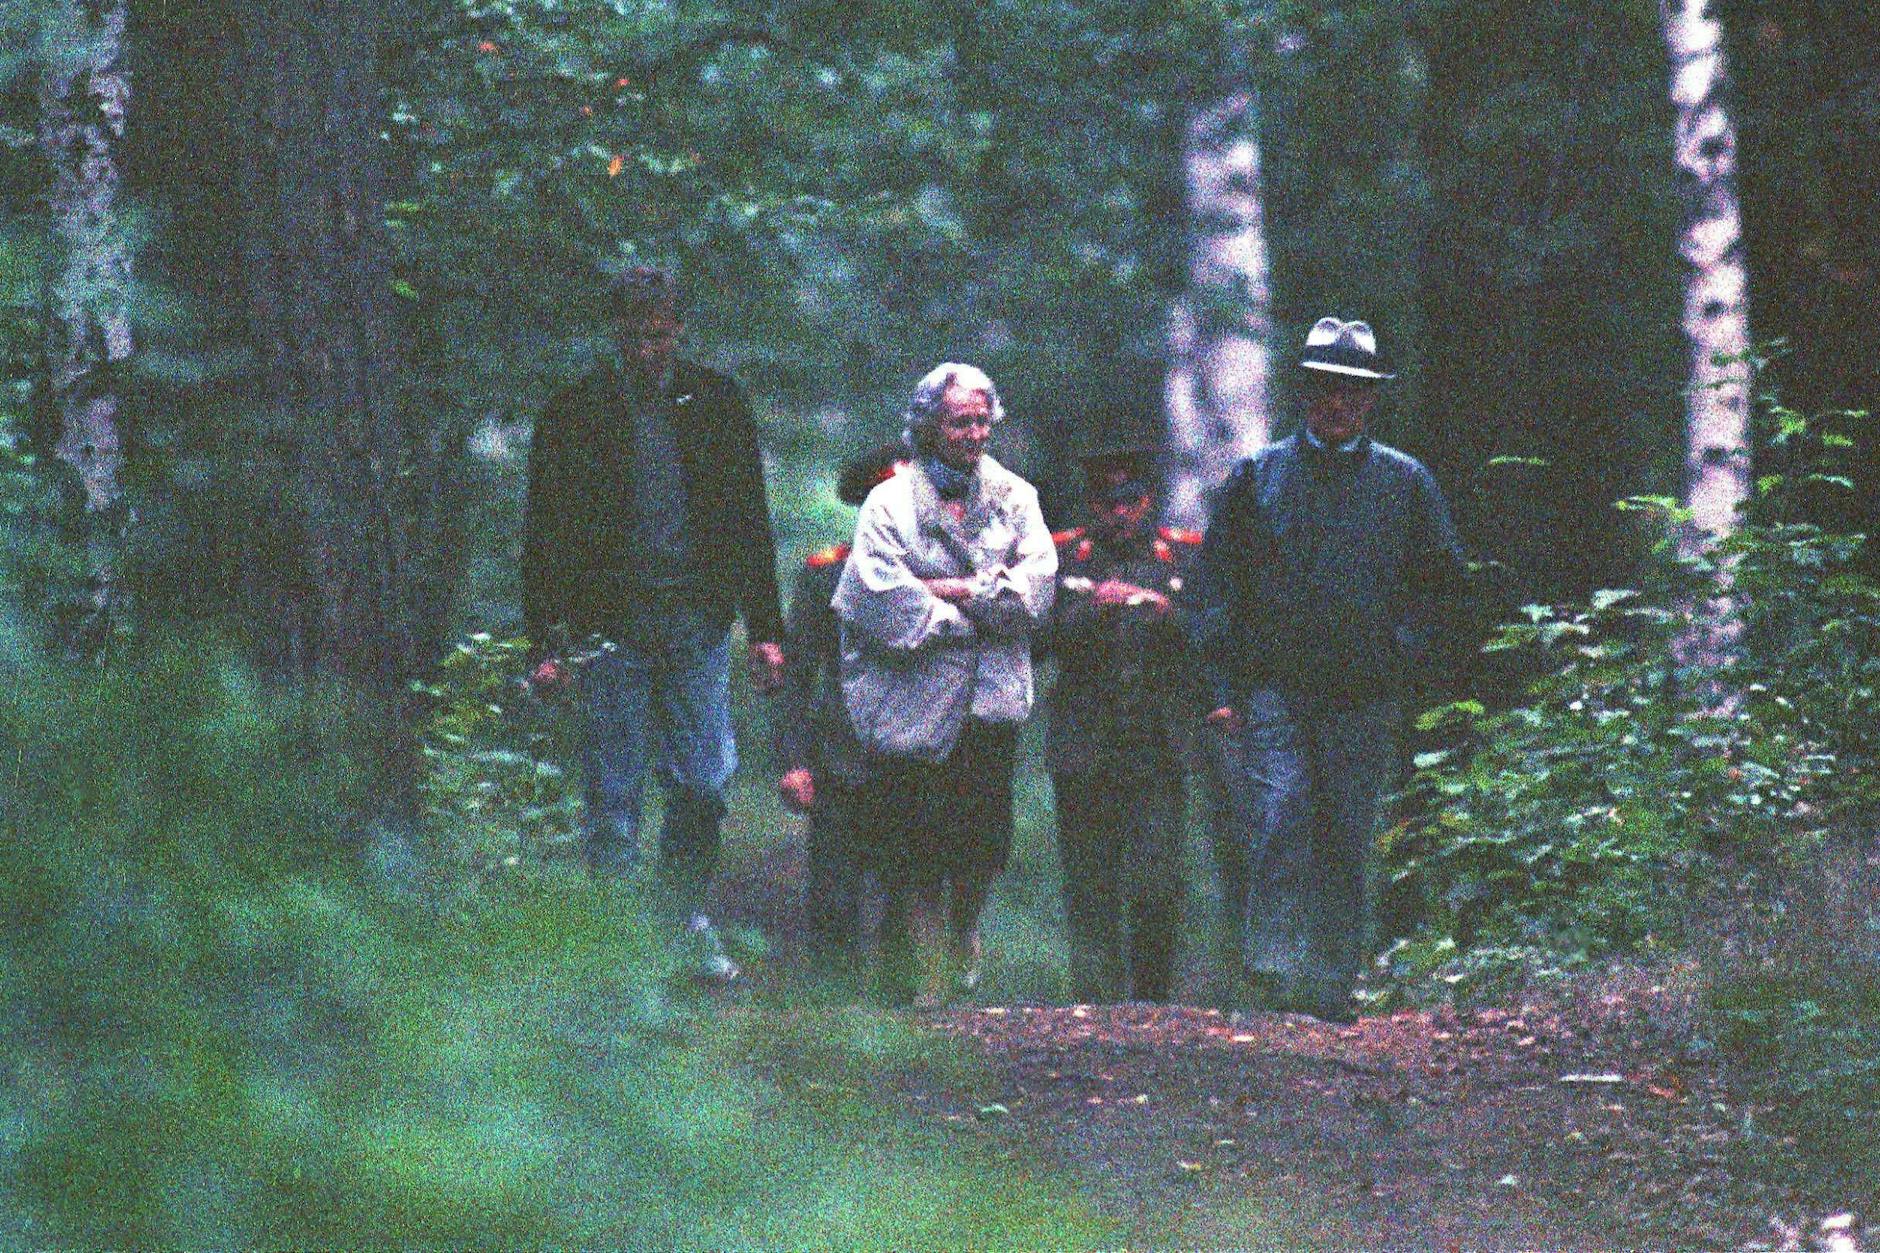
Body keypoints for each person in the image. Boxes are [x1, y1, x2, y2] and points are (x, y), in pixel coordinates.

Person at [1186, 317, 1467, 1023]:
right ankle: (1272, 966)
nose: (1335, 402)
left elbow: (1444, 587)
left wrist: (1402, 651)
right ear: (1303, 392)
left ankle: (1332, 982)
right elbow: (1214, 589)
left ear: (1369, 399)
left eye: (1349, 390)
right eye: (1322, 388)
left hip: (1363, 693)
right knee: (1279, 811)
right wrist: (1222, 689)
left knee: (1345, 830)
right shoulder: (1258, 478)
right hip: (1275, 686)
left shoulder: (1405, 483)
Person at [521, 266, 786, 983]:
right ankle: (616, 952)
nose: (648, 350)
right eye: (636, 336)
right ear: (617, 333)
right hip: (609, 624)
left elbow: (746, 517)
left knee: (703, 781)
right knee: (613, 792)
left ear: (679, 332)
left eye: (660, 336)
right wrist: (546, 639)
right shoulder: (576, 413)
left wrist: (767, 626)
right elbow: (543, 530)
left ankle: (678, 923)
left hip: (695, 618)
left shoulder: (718, 404)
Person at [832, 363, 1057, 1008]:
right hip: (910, 702)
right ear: (929, 424)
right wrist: (974, 612)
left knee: (984, 839)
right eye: (960, 421)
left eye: (983, 420)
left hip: (991, 697)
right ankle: (924, 973)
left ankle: (963, 938)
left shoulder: (1017, 496)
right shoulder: (888, 503)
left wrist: (955, 590)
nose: (973, 433)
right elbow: (878, 597)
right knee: (916, 836)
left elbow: (1034, 591)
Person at [1043, 446, 1203, 1003]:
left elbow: (1214, 636)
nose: (1119, 512)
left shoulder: (1182, 557)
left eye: (1130, 500)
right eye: (1107, 502)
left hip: (1159, 744)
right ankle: (1096, 1000)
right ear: (1091, 504)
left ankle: (1153, 998)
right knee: (1089, 878)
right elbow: (1031, 640)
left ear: (1148, 501)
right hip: (1084, 742)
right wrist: (1093, 610)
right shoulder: (1061, 557)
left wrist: (1161, 611)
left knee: (1158, 878)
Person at [777, 443, 909, 991]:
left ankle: (905, 1010)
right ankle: (833, 1011)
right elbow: (796, 673)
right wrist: (792, 760)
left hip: (919, 753)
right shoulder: (825, 576)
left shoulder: (951, 569)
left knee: (909, 889)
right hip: (842, 751)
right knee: (835, 889)